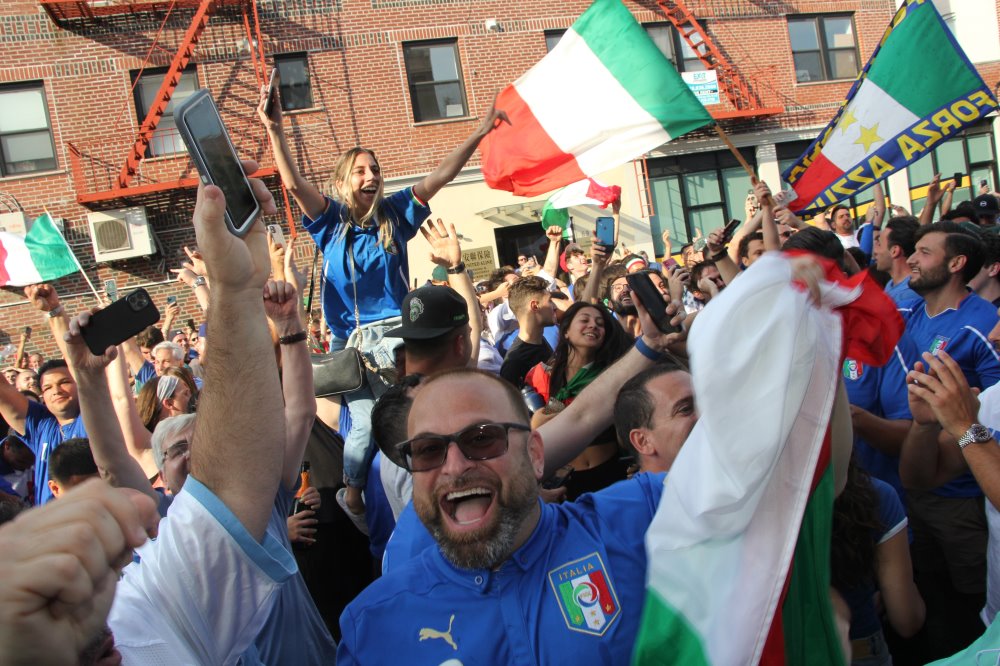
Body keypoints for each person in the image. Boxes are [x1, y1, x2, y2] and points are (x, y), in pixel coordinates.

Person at [340, 253, 855, 664]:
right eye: (429, 450)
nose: (454, 466)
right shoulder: (375, 626)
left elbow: (799, 481)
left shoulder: (640, 521)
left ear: (535, 453)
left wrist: (805, 340)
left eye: (482, 439)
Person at [259, 82, 508, 522]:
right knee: (362, 429)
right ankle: (356, 495)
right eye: (360, 171)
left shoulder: (394, 214)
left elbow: (442, 175)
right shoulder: (330, 223)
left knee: (404, 409)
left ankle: (421, 485)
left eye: (375, 169)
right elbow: (293, 183)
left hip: (396, 333)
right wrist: (275, 130)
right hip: (351, 344)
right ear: (341, 182)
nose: (371, 176)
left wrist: (480, 131)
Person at [523, 301, 633, 499]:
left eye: (600, 324)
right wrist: (538, 423)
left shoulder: (611, 375)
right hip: (566, 480)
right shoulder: (545, 375)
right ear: (566, 332)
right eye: (585, 320)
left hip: (610, 473)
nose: (593, 325)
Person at [0, 359, 86, 506]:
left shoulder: (94, 420)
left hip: (93, 520)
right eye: (47, 388)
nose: (56, 391)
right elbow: (3, 389)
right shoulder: (40, 425)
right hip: (49, 524)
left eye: (64, 382)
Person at [613, 360, 696, 473]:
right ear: (643, 441)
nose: (705, 414)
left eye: (703, 403)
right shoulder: (632, 491)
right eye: (685, 409)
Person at [499, 276, 557, 388]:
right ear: (535, 306)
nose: (554, 307)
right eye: (550, 301)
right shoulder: (514, 363)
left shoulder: (541, 341)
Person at [872, 215, 920, 305]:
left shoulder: (911, 294)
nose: (874, 251)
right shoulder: (891, 284)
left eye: (879, 244)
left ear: (894, 251)